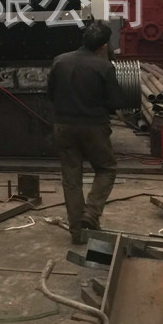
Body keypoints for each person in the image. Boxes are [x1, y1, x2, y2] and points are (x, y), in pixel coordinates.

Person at [47, 21, 126, 244]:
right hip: (94, 128)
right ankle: (91, 213)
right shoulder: (104, 67)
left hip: (63, 126)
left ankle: (78, 233)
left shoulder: (59, 61)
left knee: (71, 179)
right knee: (106, 169)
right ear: (103, 46)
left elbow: (51, 94)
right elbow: (116, 102)